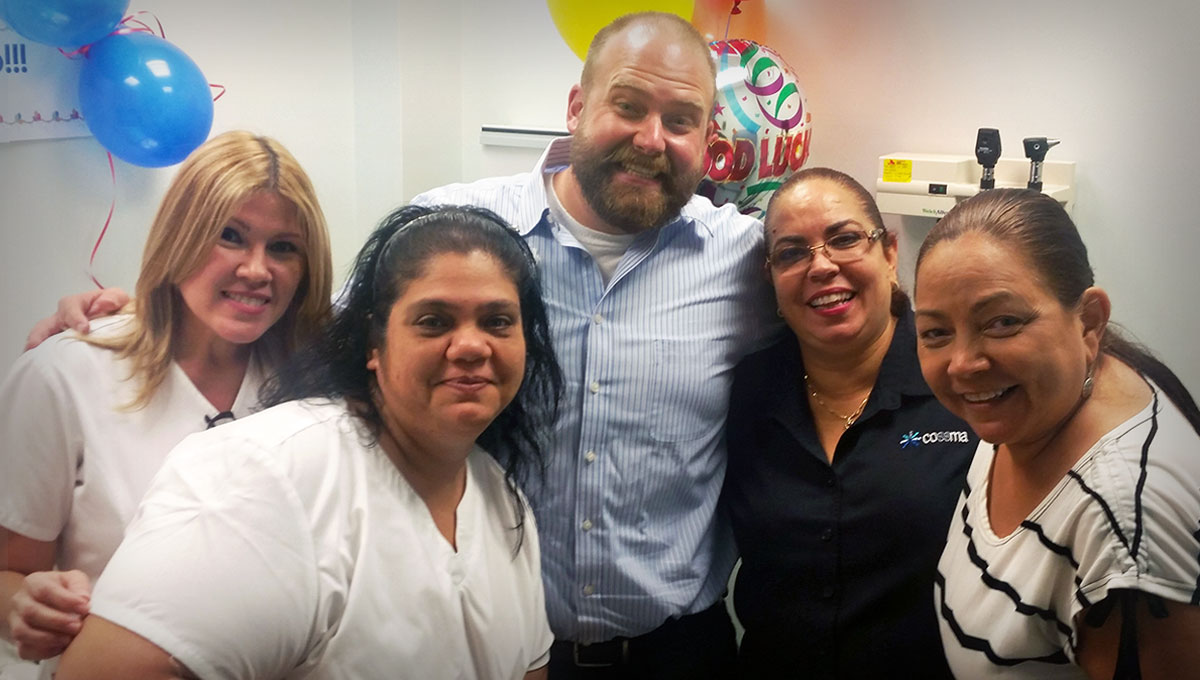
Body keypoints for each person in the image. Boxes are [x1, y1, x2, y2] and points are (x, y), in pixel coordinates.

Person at [26, 12, 778, 677]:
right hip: (484, 631)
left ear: (708, 139)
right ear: (578, 108)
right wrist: (149, 317)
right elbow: (333, 349)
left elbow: (850, 324)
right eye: (628, 106)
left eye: (681, 119)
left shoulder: (747, 261)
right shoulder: (451, 230)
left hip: (676, 650)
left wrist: (908, 422)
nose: (653, 138)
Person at [54, 204, 563, 679]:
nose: (473, 346)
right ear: (374, 344)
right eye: (433, 321)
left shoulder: (502, 499)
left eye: (498, 321)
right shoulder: (266, 476)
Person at [0, 130, 333, 678]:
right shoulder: (64, 375)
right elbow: (11, 573)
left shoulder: (314, 380)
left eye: (283, 247)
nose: (256, 269)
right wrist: (26, 604)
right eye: (230, 236)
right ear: (179, 237)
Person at [912, 188, 1200, 679]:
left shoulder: (1123, 529)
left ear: (1089, 322)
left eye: (1002, 323)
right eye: (936, 332)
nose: (963, 364)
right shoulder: (1032, 408)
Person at [721, 168, 974, 678]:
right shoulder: (744, 391)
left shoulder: (959, 383)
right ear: (770, 277)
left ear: (888, 253)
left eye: (844, 239)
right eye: (792, 253)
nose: (821, 266)